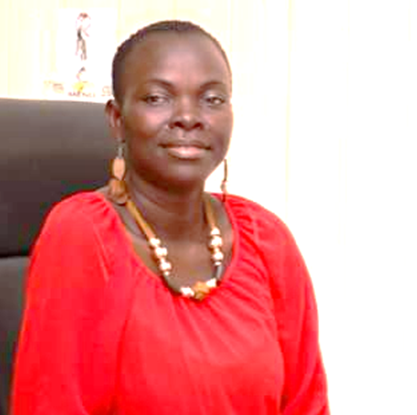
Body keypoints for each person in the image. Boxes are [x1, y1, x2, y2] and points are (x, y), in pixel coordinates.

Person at [11, 20, 330, 414]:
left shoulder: (266, 237)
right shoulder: (83, 234)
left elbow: (306, 402)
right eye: (157, 98)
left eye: (212, 99)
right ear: (117, 119)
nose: (188, 117)